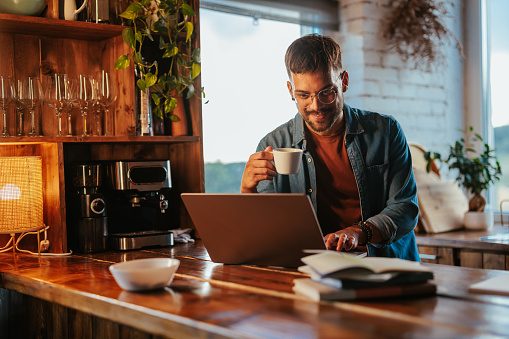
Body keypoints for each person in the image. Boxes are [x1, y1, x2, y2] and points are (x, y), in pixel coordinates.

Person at [240, 34, 420, 261]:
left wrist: (359, 232)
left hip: (384, 265)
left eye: (327, 92)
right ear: (290, 90)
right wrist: (248, 192)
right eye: (303, 95)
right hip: (311, 268)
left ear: (343, 81)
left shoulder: (386, 132)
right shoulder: (274, 145)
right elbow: (267, 229)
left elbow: (405, 208)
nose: (316, 106)